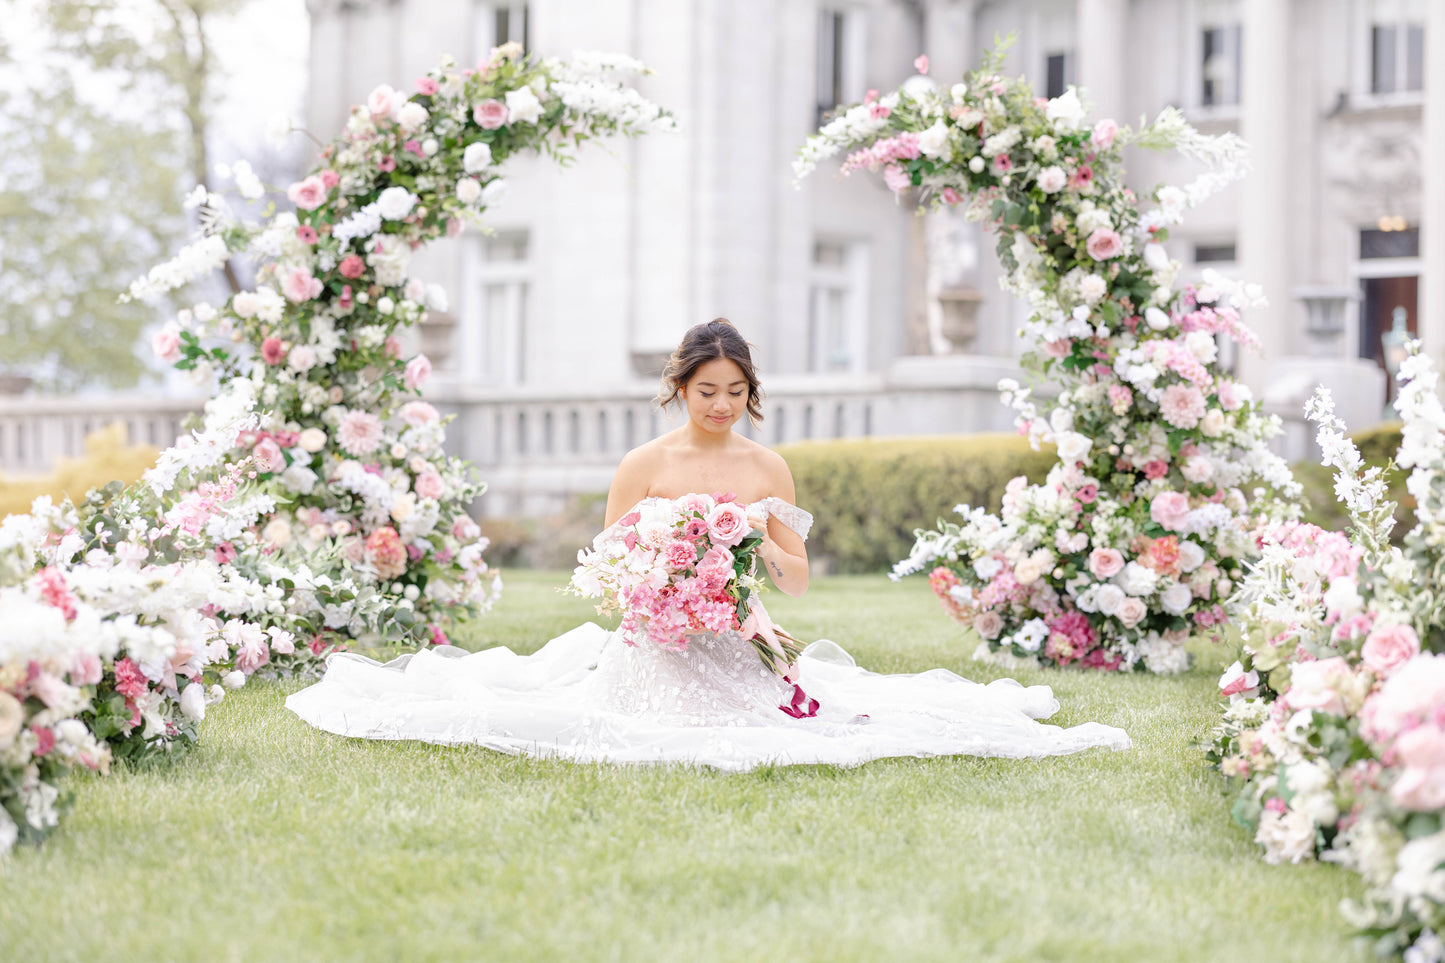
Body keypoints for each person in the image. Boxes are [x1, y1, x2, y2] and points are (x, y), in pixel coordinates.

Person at [286, 319, 1130, 770]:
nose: (720, 404)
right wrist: (661, 585)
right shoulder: (643, 463)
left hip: (741, 636)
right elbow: (608, 577)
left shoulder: (768, 467)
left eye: (735, 391)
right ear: (678, 388)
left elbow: (796, 585)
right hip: (653, 640)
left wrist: (750, 549)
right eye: (705, 391)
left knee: (802, 723)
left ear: (750, 392)